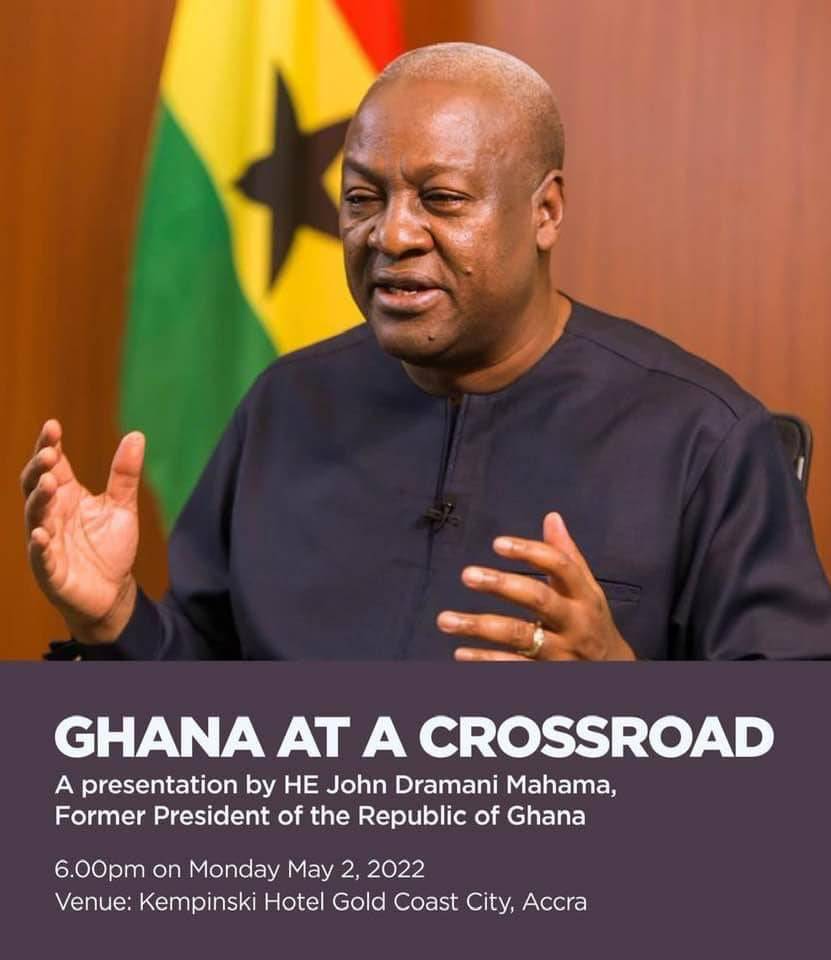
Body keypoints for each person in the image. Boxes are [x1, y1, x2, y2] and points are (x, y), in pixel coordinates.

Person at [21, 44, 831, 660]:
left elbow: (791, 761)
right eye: (362, 198)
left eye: (441, 200)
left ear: (545, 211)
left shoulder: (702, 436)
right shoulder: (286, 404)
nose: (392, 235)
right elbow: (200, 701)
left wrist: (622, 701)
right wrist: (113, 618)